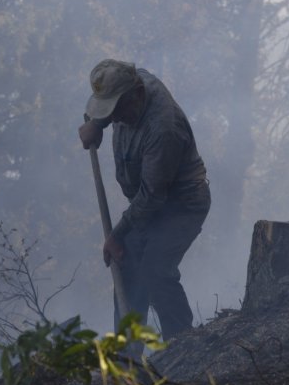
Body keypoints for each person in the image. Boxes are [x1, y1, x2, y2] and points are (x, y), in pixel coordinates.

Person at [78, 59, 210, 340]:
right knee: (126, 268)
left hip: (182, 204)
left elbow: (152, 197)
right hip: (148, 202)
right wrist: (98, 124)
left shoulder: (163, 129)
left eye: (117, 110)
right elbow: (114, 98)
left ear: (136, 95)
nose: (115, 118)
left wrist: (117, 233)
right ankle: (128, 360)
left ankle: (182, 345)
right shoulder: (133, 84)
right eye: (108, 111)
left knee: (155, 270)